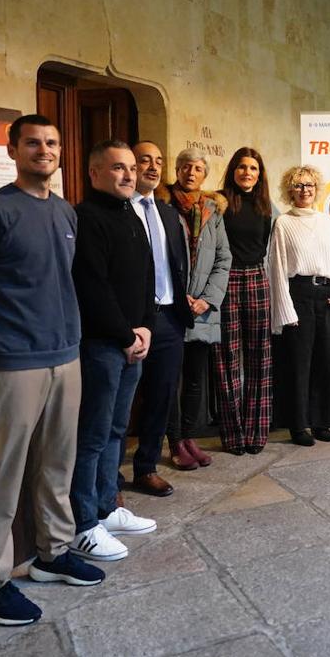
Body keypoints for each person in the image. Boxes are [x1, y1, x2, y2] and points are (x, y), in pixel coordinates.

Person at [0, 114, 103, 626]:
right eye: (33, 143)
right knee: (2, 472)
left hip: (66, 354)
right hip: (15, 361)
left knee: (58, 463)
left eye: (52, 143)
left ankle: (53, 553)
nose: (44, 150)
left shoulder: (64, 212)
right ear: (13, 150)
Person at [69, 140, 157, 561]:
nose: (128, 175)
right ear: (95, 173)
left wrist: (147, 329)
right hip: (103, 346)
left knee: (117, 430)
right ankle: (83, 523)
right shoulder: (86, 218)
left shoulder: (132, 215)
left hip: (131, 344)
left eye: (131, 169)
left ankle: (106, 507)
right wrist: (126, 336)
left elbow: (145, 277)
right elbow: (92, 287)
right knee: (92, 435)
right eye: (118, 168)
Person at [128, 141, 194, 496]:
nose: (152, 168)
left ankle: (146, 467)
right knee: (121, 402)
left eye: (157, 162)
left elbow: (176, 264)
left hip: (169, 318)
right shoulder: (121, 210)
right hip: (131, 322)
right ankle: (107, 480)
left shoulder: (168, 213)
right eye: (144, 161)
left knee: (162, 396)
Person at [269, 165, 330, 445]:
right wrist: (285, 308)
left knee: (324, 360)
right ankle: (298, 424)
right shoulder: (283, 223)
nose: (305, 190)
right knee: (298, 363)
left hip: (325, 296)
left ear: (316, 189)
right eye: (298, 185)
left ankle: (321, 421)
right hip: (299, 294)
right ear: (289, 190)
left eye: (309, 185)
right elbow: (277, 268)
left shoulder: (326, 221)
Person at [164, 147, 232, 469]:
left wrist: (207, 298)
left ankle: (190, 437)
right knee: (168, 379)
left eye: (198, 169)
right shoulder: (163, 206)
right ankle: (174, 442)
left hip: (203, 308)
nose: (191, 173)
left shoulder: (212, 211)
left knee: (194, 378)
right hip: (172, 307)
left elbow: (223, 258)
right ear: (177, 170)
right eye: (185, 167)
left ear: (205, 175)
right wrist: (181, 297)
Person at [213, 147, 275, 455]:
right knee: (227, 358)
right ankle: (233, 434)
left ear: (260, 173)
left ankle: (256, 431)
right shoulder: (220, 202)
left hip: (256, 278)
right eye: (241, 167)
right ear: (233, 170)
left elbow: (266, 247)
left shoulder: (265, 206)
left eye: (252, 168)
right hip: (227, 280)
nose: (247, 172)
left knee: (259, 358)